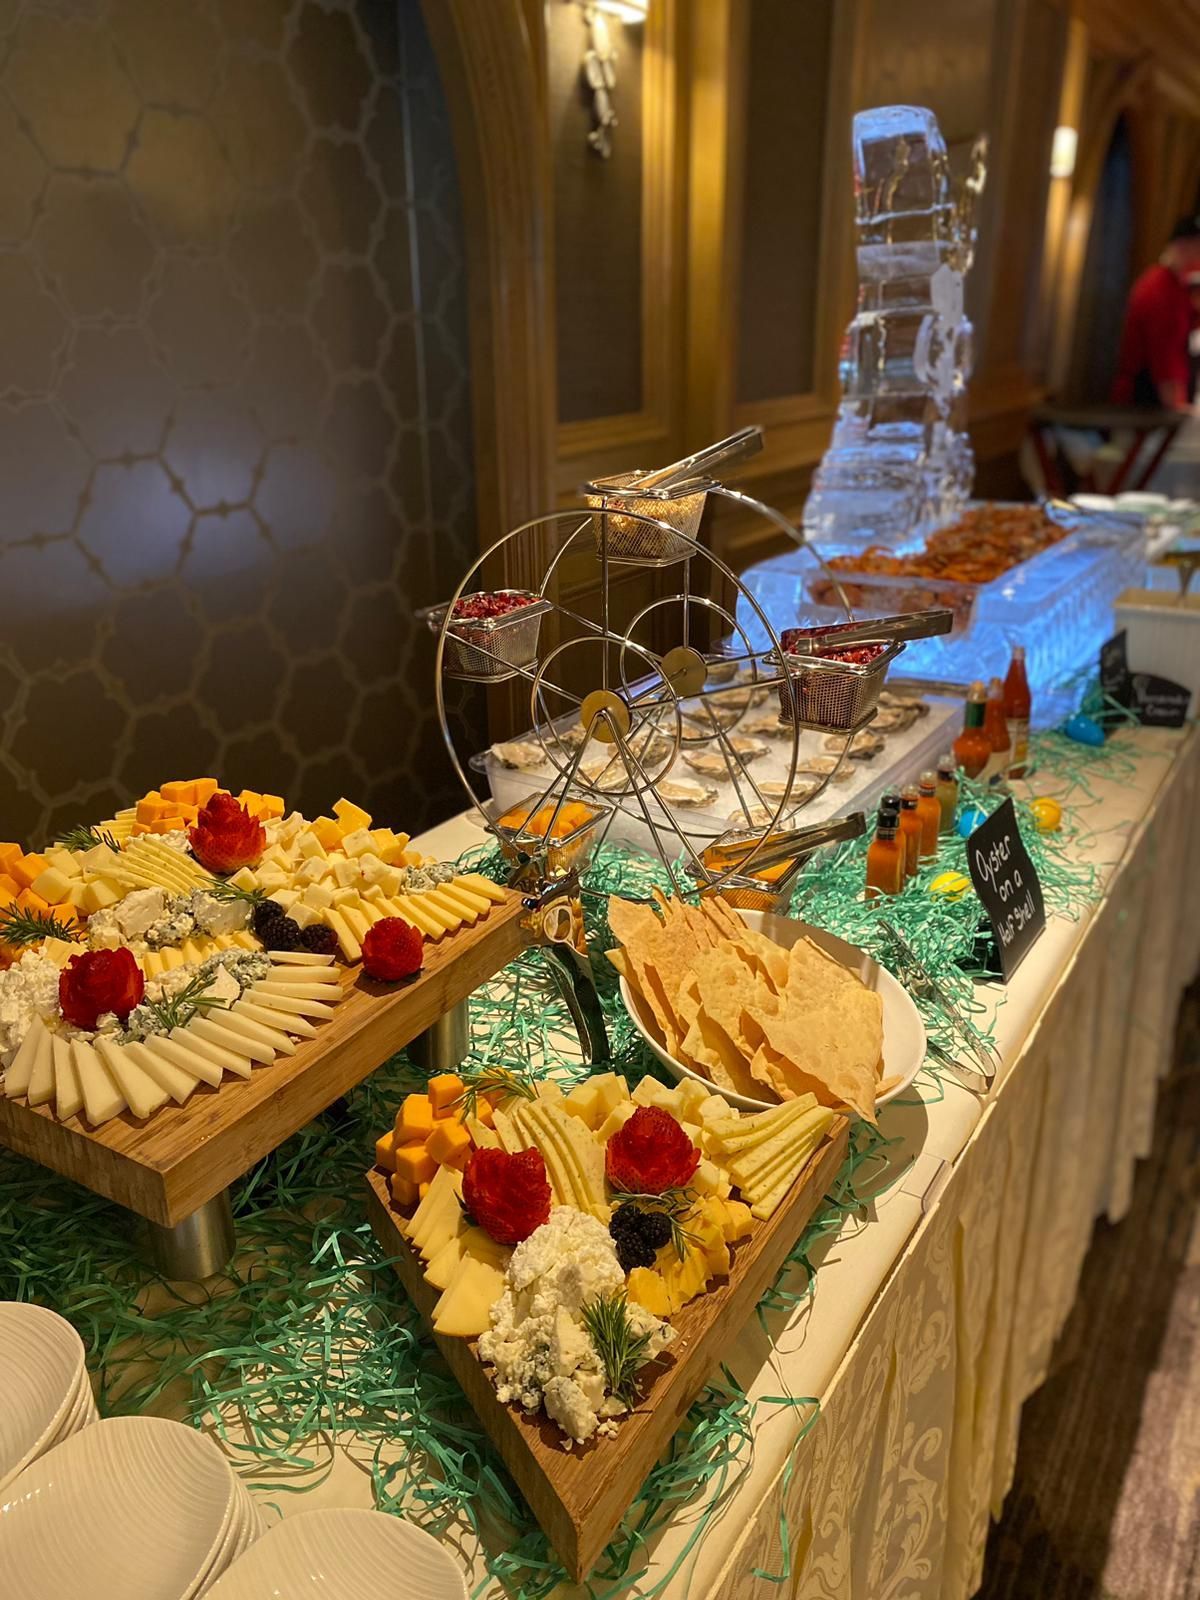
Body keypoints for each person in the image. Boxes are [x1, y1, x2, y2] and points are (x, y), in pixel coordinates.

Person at [1111, 214, 1200, 410]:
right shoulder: (1159, 289)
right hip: (1144, 407)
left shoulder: (1177, 287)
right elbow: (1165, 361)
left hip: (1153, 402)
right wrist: (1179, 409)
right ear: (1185, 245)